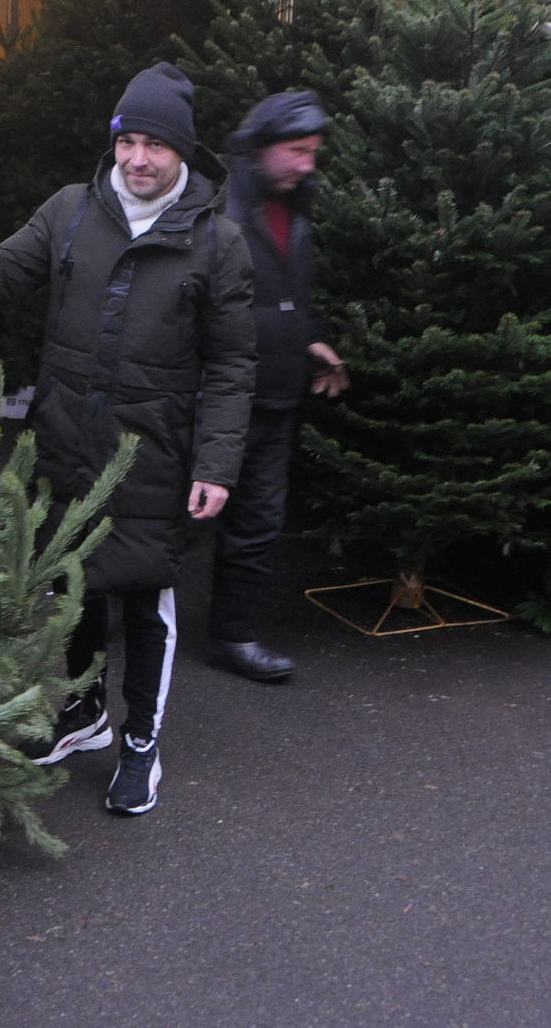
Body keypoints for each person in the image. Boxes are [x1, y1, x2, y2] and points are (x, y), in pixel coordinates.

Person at [0, 63, 256, 814]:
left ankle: (141, 739)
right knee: (70, 585)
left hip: (154, 456)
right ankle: (83, 713)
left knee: (144, 602)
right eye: (126, 142)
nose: (137, 159)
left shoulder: (216, 241)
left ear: (184, 154)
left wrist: (217, 462)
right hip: (67, 442)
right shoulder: (72, 212)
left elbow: (235, 363)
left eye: (155, 146)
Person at [204, 91, 349, 682]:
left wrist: (309, 339)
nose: (306, 164)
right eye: (296, 151)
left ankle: (232, 639)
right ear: (261, 147)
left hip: (279, 398)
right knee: (169, 523)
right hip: (215, 402)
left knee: (258, 524)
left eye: (313, 152)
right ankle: (107, 622)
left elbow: (286, 296)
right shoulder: (219, 211)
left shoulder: (297, 207)